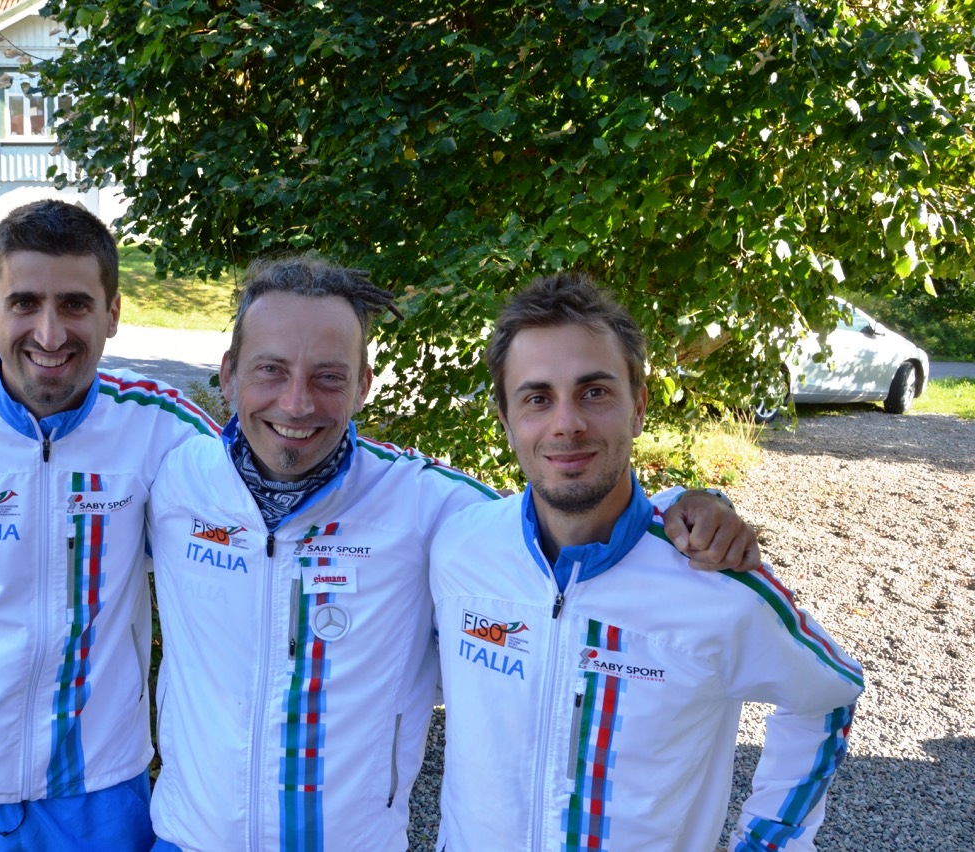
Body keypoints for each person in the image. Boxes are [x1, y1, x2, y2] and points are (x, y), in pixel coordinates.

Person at [143, 256, 760, 851]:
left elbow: (559, 513)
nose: (297, 403)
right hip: (187, 840)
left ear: (363, 386)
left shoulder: (425, 505)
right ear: (229, 374)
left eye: (328, 376)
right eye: (270, 370)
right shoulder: (172, 478)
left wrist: (689, 506)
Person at [429, 272, 863, 851]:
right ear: (506, 420)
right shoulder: (460, 548)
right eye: (537, 398)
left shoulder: (716, 582)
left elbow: (828, 693)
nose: (567, 423)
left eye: (594, 392)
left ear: (638, 408)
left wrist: (768, 841)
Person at [0, 200, 218, 850]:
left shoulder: (160, 427)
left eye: (76, 305)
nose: (50, 334)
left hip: (98, 791)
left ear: (113, 313)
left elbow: (257, 509)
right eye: (25, 303)